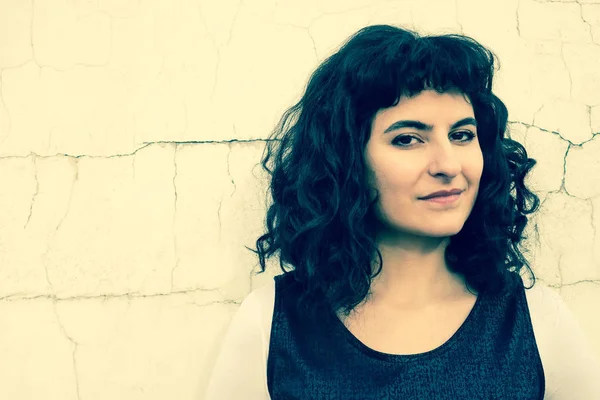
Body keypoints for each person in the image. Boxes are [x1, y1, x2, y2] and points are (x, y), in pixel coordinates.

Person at [205, 24, 600, 399]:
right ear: (346, 160)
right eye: (408, 139)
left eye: (462, 135)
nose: (448, 165)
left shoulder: (536, 319)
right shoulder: (270, 323)